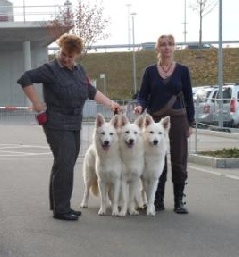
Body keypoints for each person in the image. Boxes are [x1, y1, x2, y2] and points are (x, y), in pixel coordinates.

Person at [17, 33, 120, 221]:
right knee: (64, 163)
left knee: (64, 163)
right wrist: (37, 103)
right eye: (63, 54)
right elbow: (25, 79)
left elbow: (91, 91)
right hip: (56, 122)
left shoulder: (80, 71)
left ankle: (57, 204)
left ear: (77, 55)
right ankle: (62, 209)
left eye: (70, 56)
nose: (65, 58)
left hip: (74, 122)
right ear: (60, 49)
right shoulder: (50, 69)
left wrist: (110, 103)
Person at [134, 34, 195, 214]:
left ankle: (178, 201)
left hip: (177, 119)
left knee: (179, 159)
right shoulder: (150, 71)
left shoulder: (182, 71)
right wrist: (140, 106)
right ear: (158, 49)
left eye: (170, 44)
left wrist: (190, 122)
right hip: (155, 122)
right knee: (155, 160)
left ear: (174, 47)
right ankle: (157, 200)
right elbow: (143, 95)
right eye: (163, 45)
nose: (167, 47)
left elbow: (189, 98)